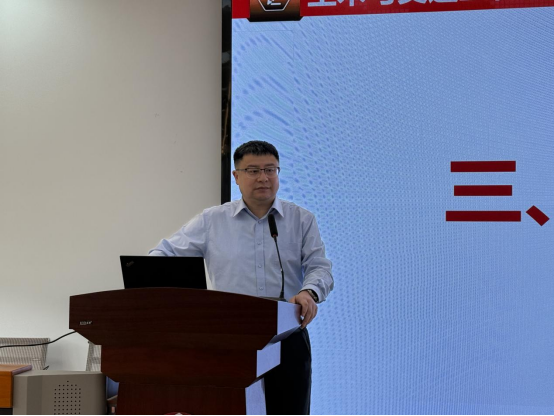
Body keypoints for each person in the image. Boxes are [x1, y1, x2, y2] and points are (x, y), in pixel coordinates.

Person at [149, 140, 334, 415]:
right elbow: (161, 255)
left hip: (286, 336)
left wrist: (309, 292)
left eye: (270, 169)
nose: (263, 178)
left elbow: (320, 267)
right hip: (229, 338)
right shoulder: (212, 220)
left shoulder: (301, 219)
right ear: (236, 176)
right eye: (253, 170)